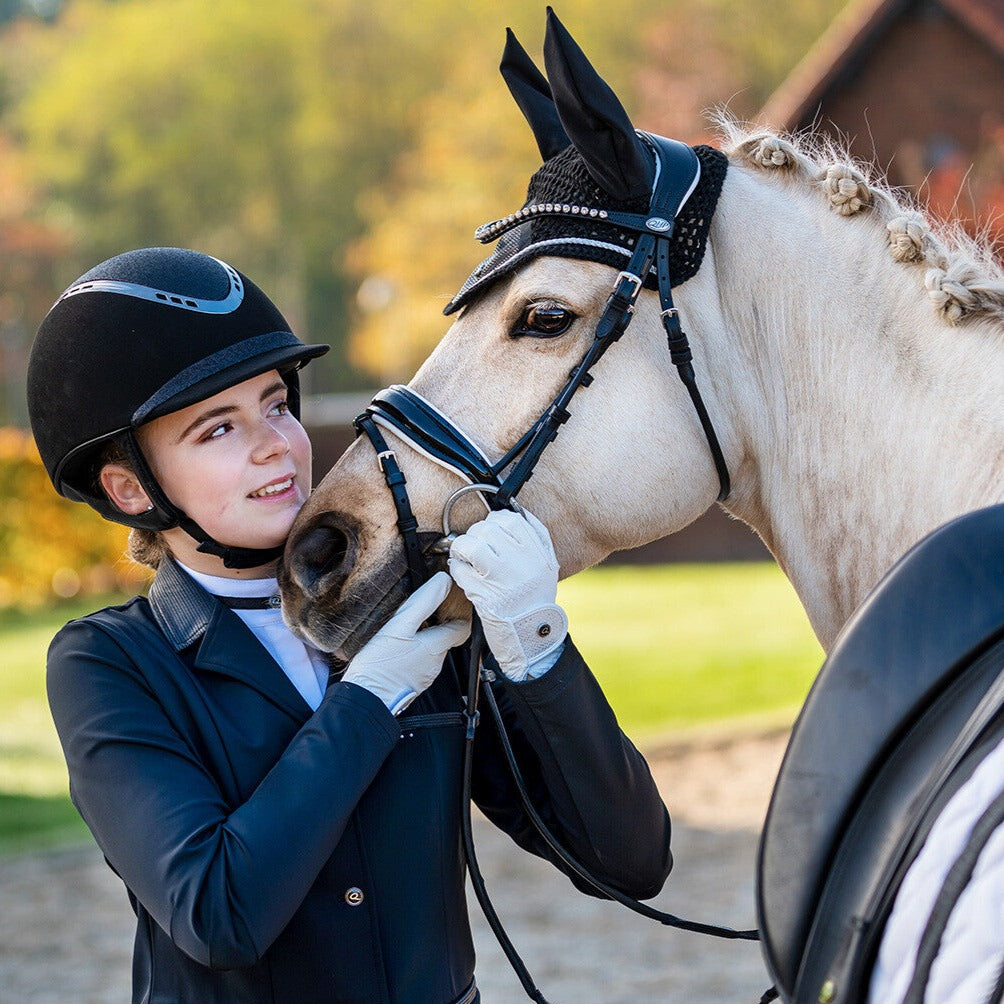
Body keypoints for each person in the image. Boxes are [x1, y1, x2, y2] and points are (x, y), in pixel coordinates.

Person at [26, 247, 672, 1004]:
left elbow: (626, 859)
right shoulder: (108, 664)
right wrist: (367, 700)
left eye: (273, 403)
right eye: (217, 429)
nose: (276, 442)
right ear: (132, 488)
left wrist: (534, 642)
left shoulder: (414, 613)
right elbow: (219, 913)